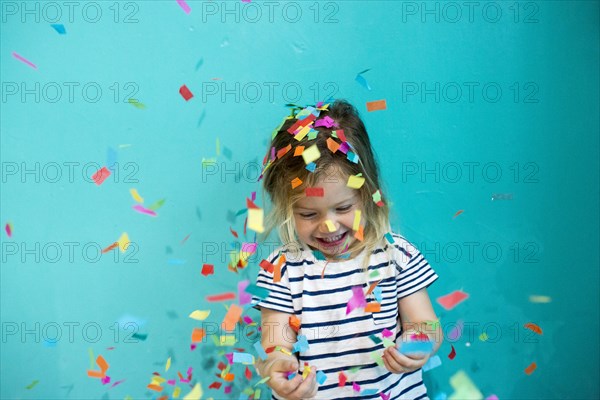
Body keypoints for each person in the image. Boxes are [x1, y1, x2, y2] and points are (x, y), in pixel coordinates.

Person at [251, 99, 443, 400]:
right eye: (308, 214)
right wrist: (279, 365)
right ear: (287, 209)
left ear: (367, 193)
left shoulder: (396, 255)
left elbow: (426, 324)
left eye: (343, 208)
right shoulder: (282, 268)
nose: (328, 227)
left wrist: (418, 343)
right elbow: (274, 340)